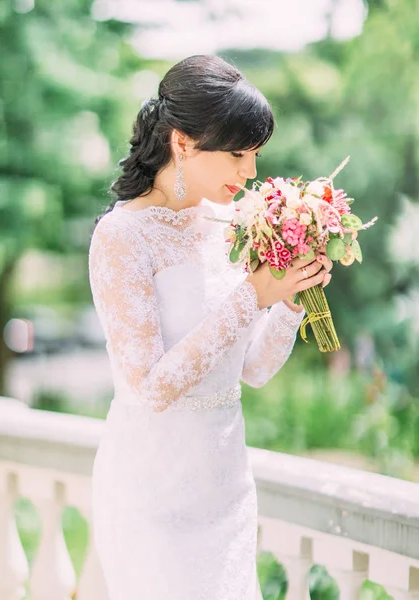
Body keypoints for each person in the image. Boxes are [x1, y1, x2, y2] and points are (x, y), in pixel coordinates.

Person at [88, 54, 332, 600]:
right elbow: (150, 387)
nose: (250, 173)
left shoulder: (230, 226)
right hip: (151, 494)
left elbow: (254, 371)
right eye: (238, 155)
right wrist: (254, 295)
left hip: (226, 490)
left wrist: (290, 297)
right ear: (182, 142)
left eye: (255, 156)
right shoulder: (122, 237)